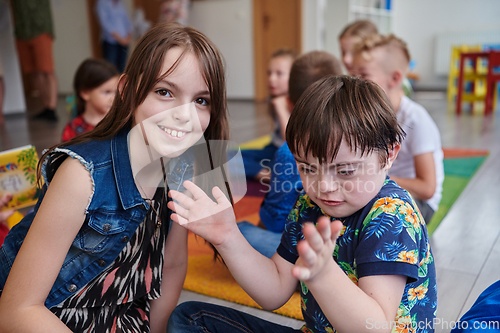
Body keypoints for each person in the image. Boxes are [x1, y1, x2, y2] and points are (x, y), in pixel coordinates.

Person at [0, 22, 230, 332]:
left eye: (201, 100)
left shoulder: (184, 168)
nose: (184, 114)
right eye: (164, 92)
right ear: (127, 91)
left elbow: (173, 265)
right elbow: (18, 310)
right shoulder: (82, 176)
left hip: (118, 315)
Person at [167, 75, 437, 333]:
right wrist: (228, 236)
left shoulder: (392, 215)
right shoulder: (309, 205)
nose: (323, 186)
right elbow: (274, 292)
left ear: (389, 154)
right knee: (191, 318)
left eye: (344, 171)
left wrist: (323, 276)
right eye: (307, 168)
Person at [238, 50, 343, 258]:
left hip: (318, 252)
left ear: (290, 102)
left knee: (237, 232)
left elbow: (275, 220)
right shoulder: (361, 139)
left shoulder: (291, 151)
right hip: (358, 246)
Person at [351, 33, 444, 223]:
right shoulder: (367, 112)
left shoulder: (416, 120)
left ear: (394, 79)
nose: (354, 83)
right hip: (379, 185)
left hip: (418, 202)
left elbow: (427, 189)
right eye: (353, 75)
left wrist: (376, 177)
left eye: (363, 76)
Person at [241, 48, 298, 183]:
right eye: (269, 73)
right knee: (228, 156)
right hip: (273, 149)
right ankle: (269, 175)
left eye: (279, 74)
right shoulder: (274, 99)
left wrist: (281, 109)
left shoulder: (296, 103)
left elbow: (290, 143)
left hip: (289, 154)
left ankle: (271, 175)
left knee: (288, 166)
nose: (271, 79)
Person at [10, 0, 59, 121]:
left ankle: (52, 108)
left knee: (47, 70)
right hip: (22, 32)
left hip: (40, 30)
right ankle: (46, 106)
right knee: (34, 72)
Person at [61, 58, 119, 142]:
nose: (114, 98)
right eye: (107, 92)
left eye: (116, 92)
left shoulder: (118, 124)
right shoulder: (72, 128)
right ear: (85, 93)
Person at [95, 0, 133, 73]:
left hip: (124, 41)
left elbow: (126, 19)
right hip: (111, 42)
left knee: (122, 67)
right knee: (110, 69)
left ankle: (120, 84)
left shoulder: (120, 3)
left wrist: (129, 36)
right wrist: (120, 39)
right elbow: (105, 23)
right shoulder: (102, 2)